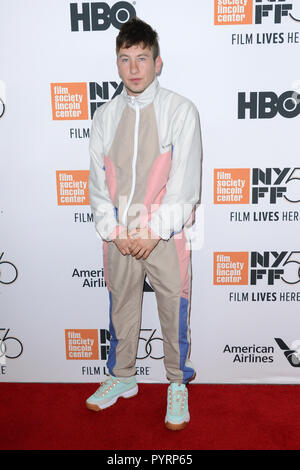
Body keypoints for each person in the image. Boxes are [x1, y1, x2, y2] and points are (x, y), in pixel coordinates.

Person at [86, 17, 202, 431]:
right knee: (122, 308)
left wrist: (153, 232)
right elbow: (97, 185)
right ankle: (122, 378)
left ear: (158, 63)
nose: (134, 68)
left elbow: (185, 184)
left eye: (142, 58)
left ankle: (176, 383)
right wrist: (116, 232)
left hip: (164, 234)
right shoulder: (104, 116)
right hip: (119, 235)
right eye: (125, 59)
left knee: (174, 307)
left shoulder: (181, 111)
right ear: (117, 64)